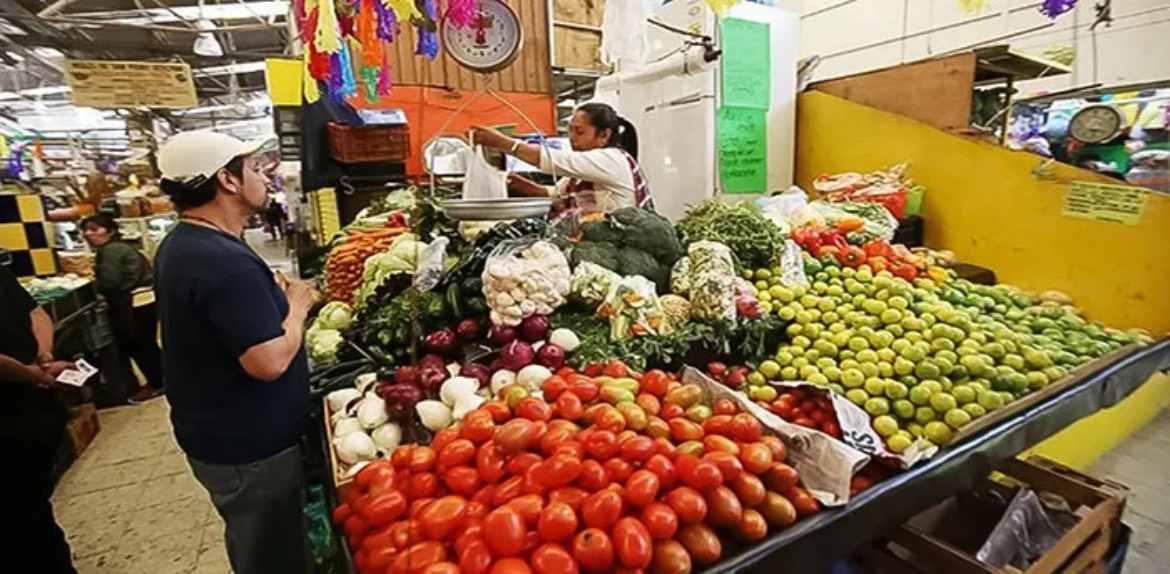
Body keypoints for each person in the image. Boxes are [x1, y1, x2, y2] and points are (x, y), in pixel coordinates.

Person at [153, 131, 315, 574]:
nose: (264, 177)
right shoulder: (221, 260)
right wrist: (297, 307)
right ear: (226, 180)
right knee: (271, 557)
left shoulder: (184, 243)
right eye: (255, 168)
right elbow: (268, 362)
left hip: (219, 432)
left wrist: (264, 300)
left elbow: (169, 333)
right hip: (250, 447)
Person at [0, 264, 77, 573]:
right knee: (33, 514)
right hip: (32, 411)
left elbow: (34, 312)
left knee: (22, 521)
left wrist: (35, 369)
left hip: (15, 417)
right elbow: (36, 313)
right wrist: (40, 364)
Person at [470, 102, 654, 217]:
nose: (572, 138)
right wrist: (512, 181)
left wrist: (504, 143)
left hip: (620, 245)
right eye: (570, 130)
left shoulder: (611, 159)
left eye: (580, 131)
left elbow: (551, 159)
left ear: (604, 135)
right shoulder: (583, 170)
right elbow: (555, 194)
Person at [80, 214, 165, 404]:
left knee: (139, 345)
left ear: (110, 231)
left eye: (94, 229)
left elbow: (110, 282)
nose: (88, 234)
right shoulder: (123, 247)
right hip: (145, 302)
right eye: (85, 230)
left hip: (134, 304)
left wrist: (94, 285)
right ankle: (161, 380)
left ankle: (158, 383)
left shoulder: (110, 251)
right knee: (146, 345)